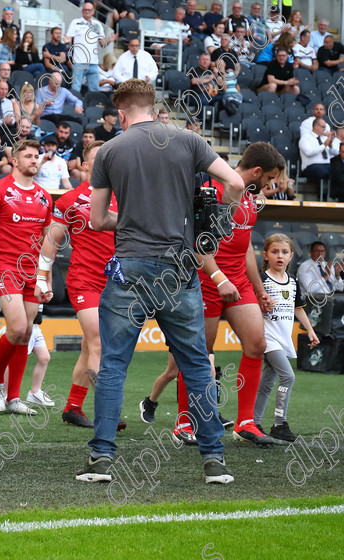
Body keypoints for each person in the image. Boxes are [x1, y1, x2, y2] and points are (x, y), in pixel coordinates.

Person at [77, 79, 244, 485]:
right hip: (179, 268)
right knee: (196, 367)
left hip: (130, 266)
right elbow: (236, 184)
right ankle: (214, 461)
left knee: (114, 363)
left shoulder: (110, 150)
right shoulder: (188, 140)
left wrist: (132, 220)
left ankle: (101, 459)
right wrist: (216, 224)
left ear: (120, 113)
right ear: (154, 106)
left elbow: (98, 220)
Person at [142, 142, 285, 446]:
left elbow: (245, 246)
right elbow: (198, 244)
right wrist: (220, 279)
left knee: (256, 344)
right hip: (207, 281)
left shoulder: (249, 199)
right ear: (256, 171)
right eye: (269, 178)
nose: (270, 185)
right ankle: (184, 423)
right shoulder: (214, 192)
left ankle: (246, 422)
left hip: (238, 282)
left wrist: (258, 290)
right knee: (196, 355)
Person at [0, 140, 52, 417]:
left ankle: (14, 397)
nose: (34, 159)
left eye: (36, 156)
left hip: (32, 272)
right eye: (28, 156)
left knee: (27, 333)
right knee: (17, 328)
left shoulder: (44, 197)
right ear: (14, 161)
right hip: (4, 266)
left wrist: (45, 279)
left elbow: (47, 243)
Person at [37, 140, 113, 429]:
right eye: (100, 158)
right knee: (98, 344)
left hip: (115, 284)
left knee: (88, 347)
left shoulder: (126, 196)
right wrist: (41, 278)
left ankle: (73, 407)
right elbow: (51, 241)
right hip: (85, 282)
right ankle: (107, 410)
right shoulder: (71, 200)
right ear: (85, 165)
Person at [254, 234, 319, 442]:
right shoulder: (261, 279)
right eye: (274, 252)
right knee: (288, 377)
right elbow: (248, 306)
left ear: (291, 256)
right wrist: (261, 303)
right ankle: (279, 424)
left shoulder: (293, 282)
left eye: (284, 252)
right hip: (267, 338)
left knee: (266, 384)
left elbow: (297, 309)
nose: (279, 256)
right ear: (265, 255)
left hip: (283, 339)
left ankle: (252, 423)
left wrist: (310, 330)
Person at [66, 1, 117, 94]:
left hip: (93, 62)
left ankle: (94, 107)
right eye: (85, 9)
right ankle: (75, 107)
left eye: (89, 10)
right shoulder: (75, 22)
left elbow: (102, 44)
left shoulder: (97, 25)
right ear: (82, 10)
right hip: (79, 62)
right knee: (76, 87)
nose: (87, 11)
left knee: (95, 89)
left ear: (93, 11)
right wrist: (66, 40)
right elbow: (69, 38)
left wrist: (109, 40)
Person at [299, 117, 335, 182]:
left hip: (327, 164)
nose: (325, 129)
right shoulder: (305, 138)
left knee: (339, 171)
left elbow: (333, 152)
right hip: (311, 165)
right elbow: (309, 152)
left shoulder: (324, 138)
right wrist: (324, 145)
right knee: (324, 173)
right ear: (316, 126)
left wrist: (330, 145)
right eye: (323, 127)